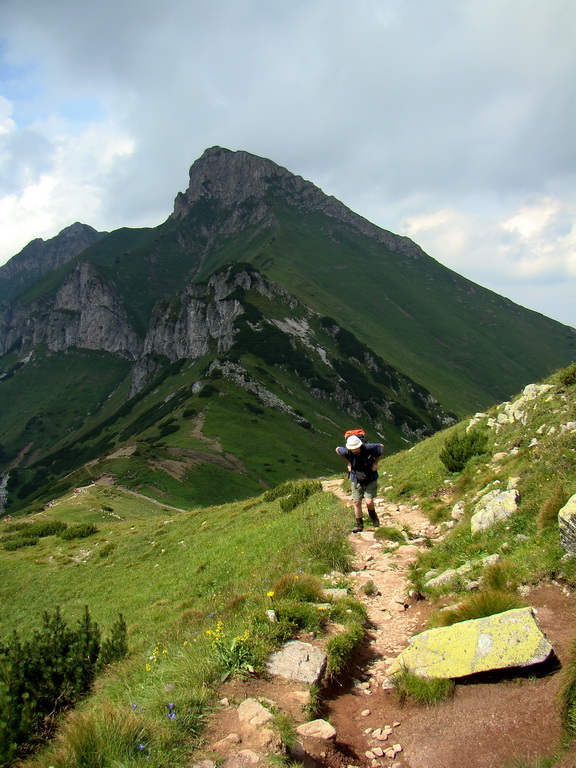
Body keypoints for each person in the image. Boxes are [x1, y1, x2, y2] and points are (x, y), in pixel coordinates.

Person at [336, 434, 383, 532]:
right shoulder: (346, 451)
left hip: (370, 477)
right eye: (352, 449)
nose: (354, 450)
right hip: (356, 478)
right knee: (357, 502)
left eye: (356, 448)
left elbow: (381, 447)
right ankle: (359, 525)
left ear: (360, 445)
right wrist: (349, 463)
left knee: (369, 501)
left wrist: (375, 463)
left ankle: (374, 518)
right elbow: (337, 450)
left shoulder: (368, 448)